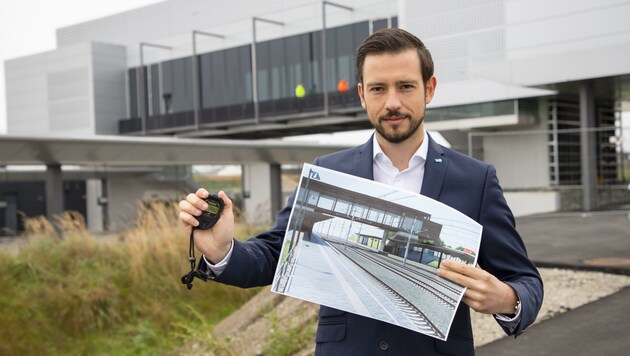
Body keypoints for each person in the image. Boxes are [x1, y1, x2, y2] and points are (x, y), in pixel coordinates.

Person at [178, 28, 543, 355]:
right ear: (361, 96)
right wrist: (223, 249)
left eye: (406, 86)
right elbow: (275, 254)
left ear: (429, 89)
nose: (392, 103)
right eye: (378, 89)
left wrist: (507, 300)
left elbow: (525, 281)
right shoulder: (328, 172)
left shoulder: (476, 179)